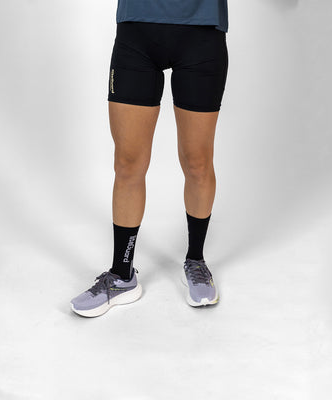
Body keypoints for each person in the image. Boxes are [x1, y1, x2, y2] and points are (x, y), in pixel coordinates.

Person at [70, 0, 229, 317]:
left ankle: (196, 260)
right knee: (127, 163)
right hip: (137, 31)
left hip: (202, 33)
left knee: (197, 161)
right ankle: (122, 276)